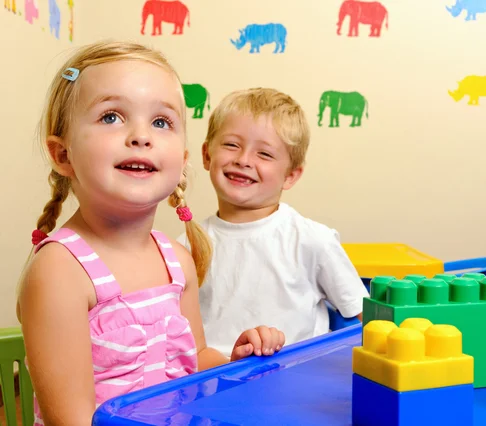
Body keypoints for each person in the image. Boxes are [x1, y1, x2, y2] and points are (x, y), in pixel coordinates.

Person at [15, 41, 285, 426]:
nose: (141, 136)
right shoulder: (60, 272)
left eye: (161, 122)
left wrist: (233, 362)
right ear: (63, 154)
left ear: (184, 160)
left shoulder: (176, 259)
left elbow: (195, 359)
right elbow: (72, 419)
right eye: (111, 117)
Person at [177, 88, 369, 357]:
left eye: (264, 154)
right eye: (232, 145)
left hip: (294, 384)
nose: (243, 160)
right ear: (207, 155)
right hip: (212, 384)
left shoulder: (313, 240)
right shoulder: (184, 246)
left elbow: (366, 319)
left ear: (290, 175)